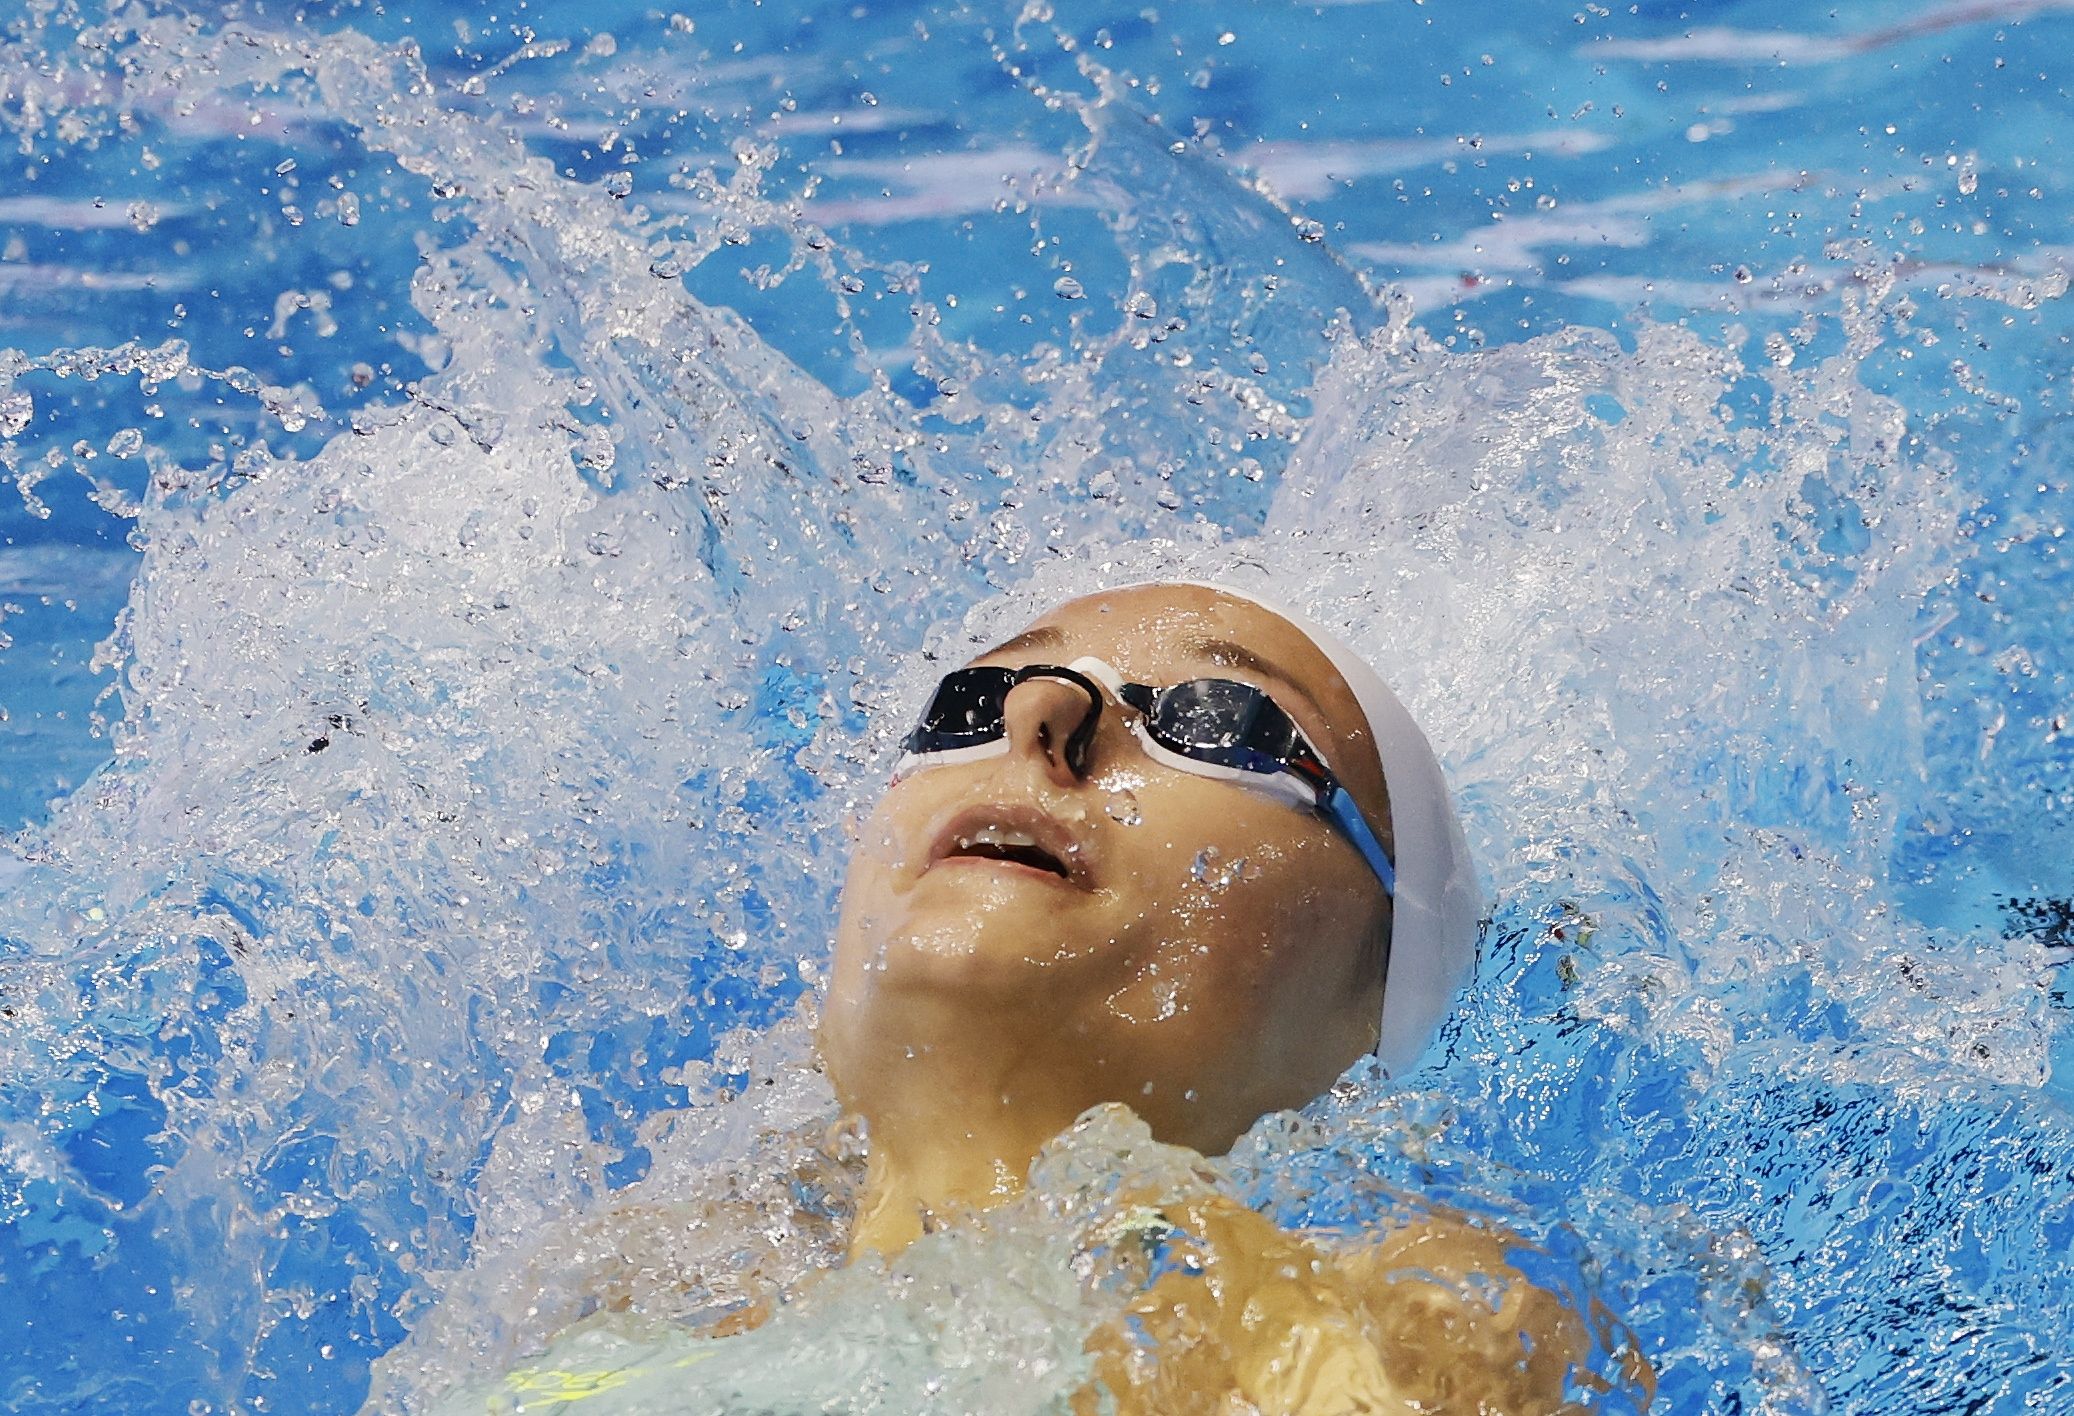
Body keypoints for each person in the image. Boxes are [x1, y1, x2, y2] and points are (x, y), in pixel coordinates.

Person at [416, 580, 1647, 1414]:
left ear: (1372, 1006)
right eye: (963, 703)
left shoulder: (1427, 1308)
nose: (1035, 712)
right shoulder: (618, 1292)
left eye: (1218, 718)